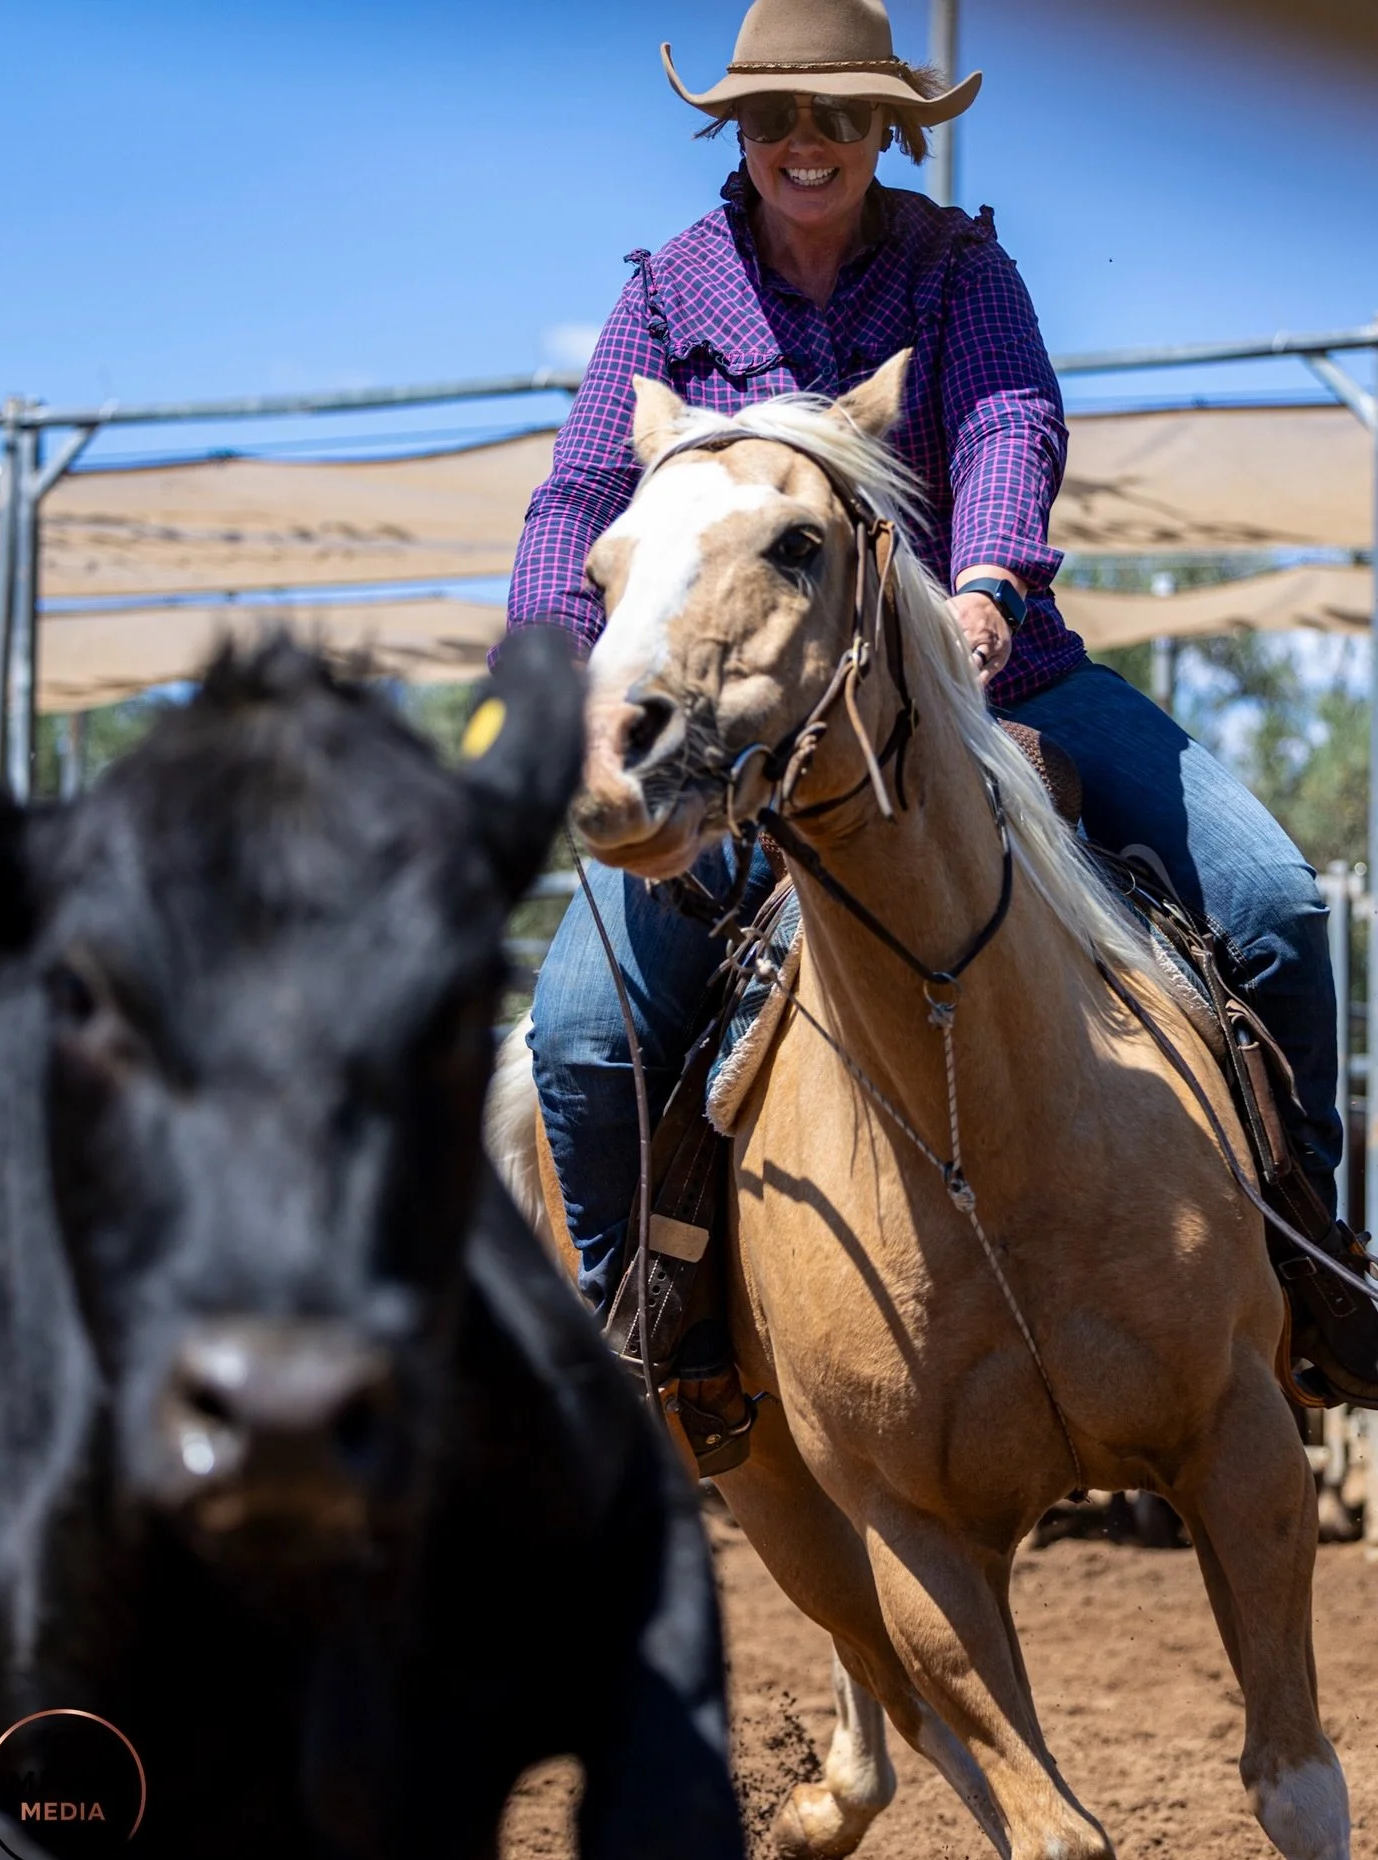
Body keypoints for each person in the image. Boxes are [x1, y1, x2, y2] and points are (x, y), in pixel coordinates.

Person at [507, 0, 1378, 1409]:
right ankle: (654, 1335)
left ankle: (1312, 1269)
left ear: (889, 132)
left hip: (1000, 674)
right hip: (744, 722)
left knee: (1277, 906)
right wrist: (559, 675)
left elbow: (1006, 420)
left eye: (841, 115)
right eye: (775, 116)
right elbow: (583, 497)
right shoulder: (668, 293)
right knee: (583, 1034)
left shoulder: (958, 267)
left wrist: (986, 582)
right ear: (735, 130)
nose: (806, 142)